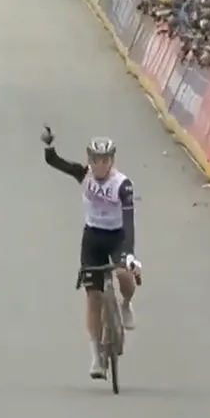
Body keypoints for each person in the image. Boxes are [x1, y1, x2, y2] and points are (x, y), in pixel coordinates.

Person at [41, 126, 141, 379]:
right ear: (89, 160)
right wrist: (49, 145)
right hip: (93, 238)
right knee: (93, 298)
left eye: (105, 161)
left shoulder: (122, 185)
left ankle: (126, 303)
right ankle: (96, 354)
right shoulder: (83, 175)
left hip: (117, 237)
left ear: (112, 161)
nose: (99, 166)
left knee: (125, 275)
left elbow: (129, 220)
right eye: (95, 160)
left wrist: (129, 253)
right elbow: (54, 161)